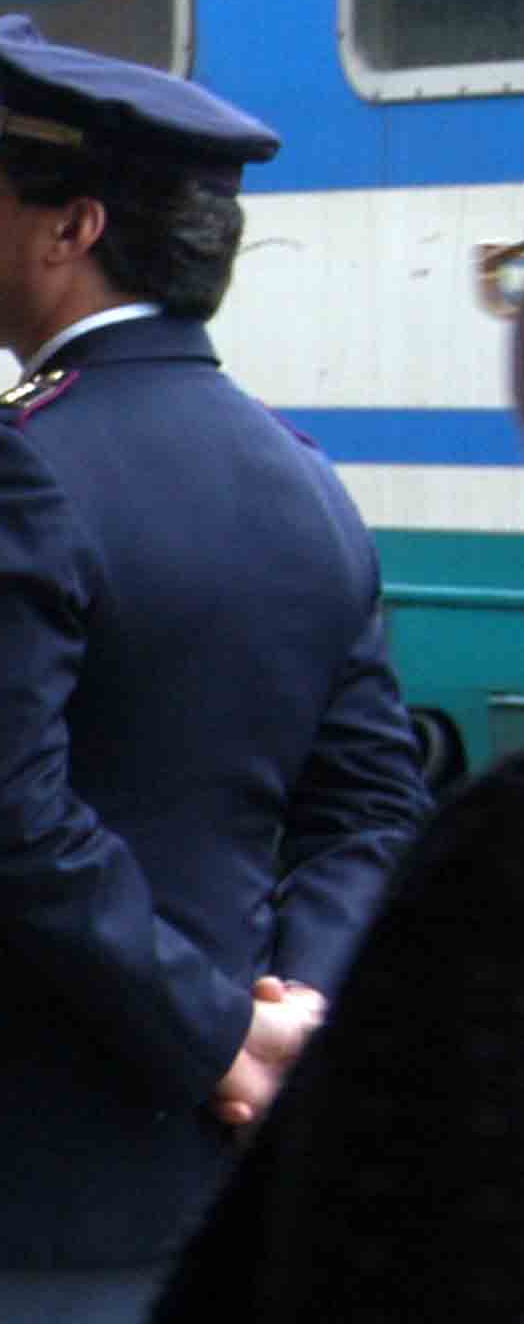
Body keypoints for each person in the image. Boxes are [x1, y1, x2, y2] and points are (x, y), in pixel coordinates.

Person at [0, 16, 433, 1322]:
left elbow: (13, 817)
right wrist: (294, 1020)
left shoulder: (13, 465)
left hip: (14, 1196)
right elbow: (373, 808)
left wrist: (220, 1036)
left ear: (72, 229)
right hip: (220, 1181)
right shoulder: (304, 480)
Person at [147, 242, 524, 1321]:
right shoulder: (306, 483)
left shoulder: (500, 868)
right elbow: (368, 795)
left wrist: (249, 1031)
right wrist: (309, 997)